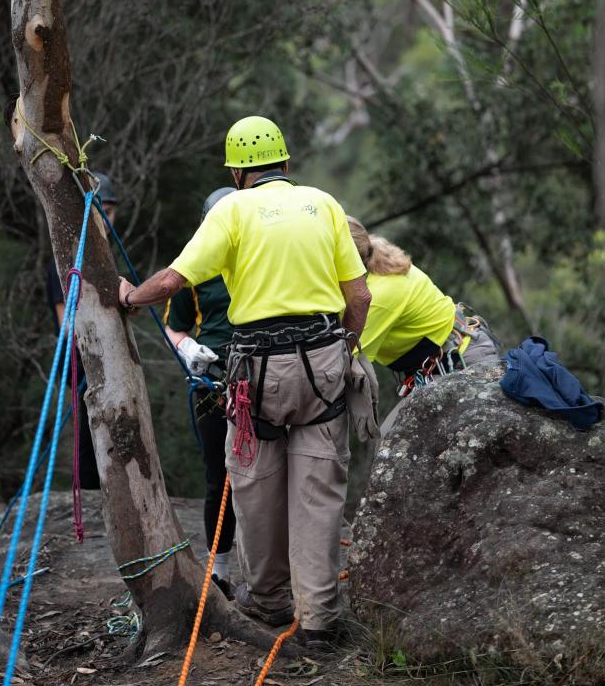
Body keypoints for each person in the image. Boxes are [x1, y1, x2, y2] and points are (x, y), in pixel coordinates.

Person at [118, 116, 370, 650]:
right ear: (285, 163)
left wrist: (129, 296)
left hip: (259, 370)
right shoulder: (323, 204)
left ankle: (270, 600)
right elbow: (361, 296)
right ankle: (321, 618)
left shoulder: (230, 210)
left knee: (254, 485)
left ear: (236, 171)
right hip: (323, 362)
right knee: (320, 491)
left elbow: (172, 281)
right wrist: (344, 348)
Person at [347, 216, 501, 434]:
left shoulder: (375, 296)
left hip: (461, 365)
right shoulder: (373, 254)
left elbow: (348, 364)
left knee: (391, 442)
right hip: (452, 359)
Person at [163, 187, 237, 599]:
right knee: (219, 476)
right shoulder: (196, 263)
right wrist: (188, 348)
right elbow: (175, 326)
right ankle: (220, 572)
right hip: (212, 377)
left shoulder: (261, 252)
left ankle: (275, 574)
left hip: (262, 369)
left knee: (269, 475)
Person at [46, 172, 118, 489]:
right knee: (89, 436)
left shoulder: (110, 257)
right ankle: (89, 496)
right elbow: (67, 326)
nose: (107, 218)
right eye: (102, 209)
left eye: (112, 210)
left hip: (113, 356)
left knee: (120, 431)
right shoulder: (65, 260)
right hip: (82, 360)